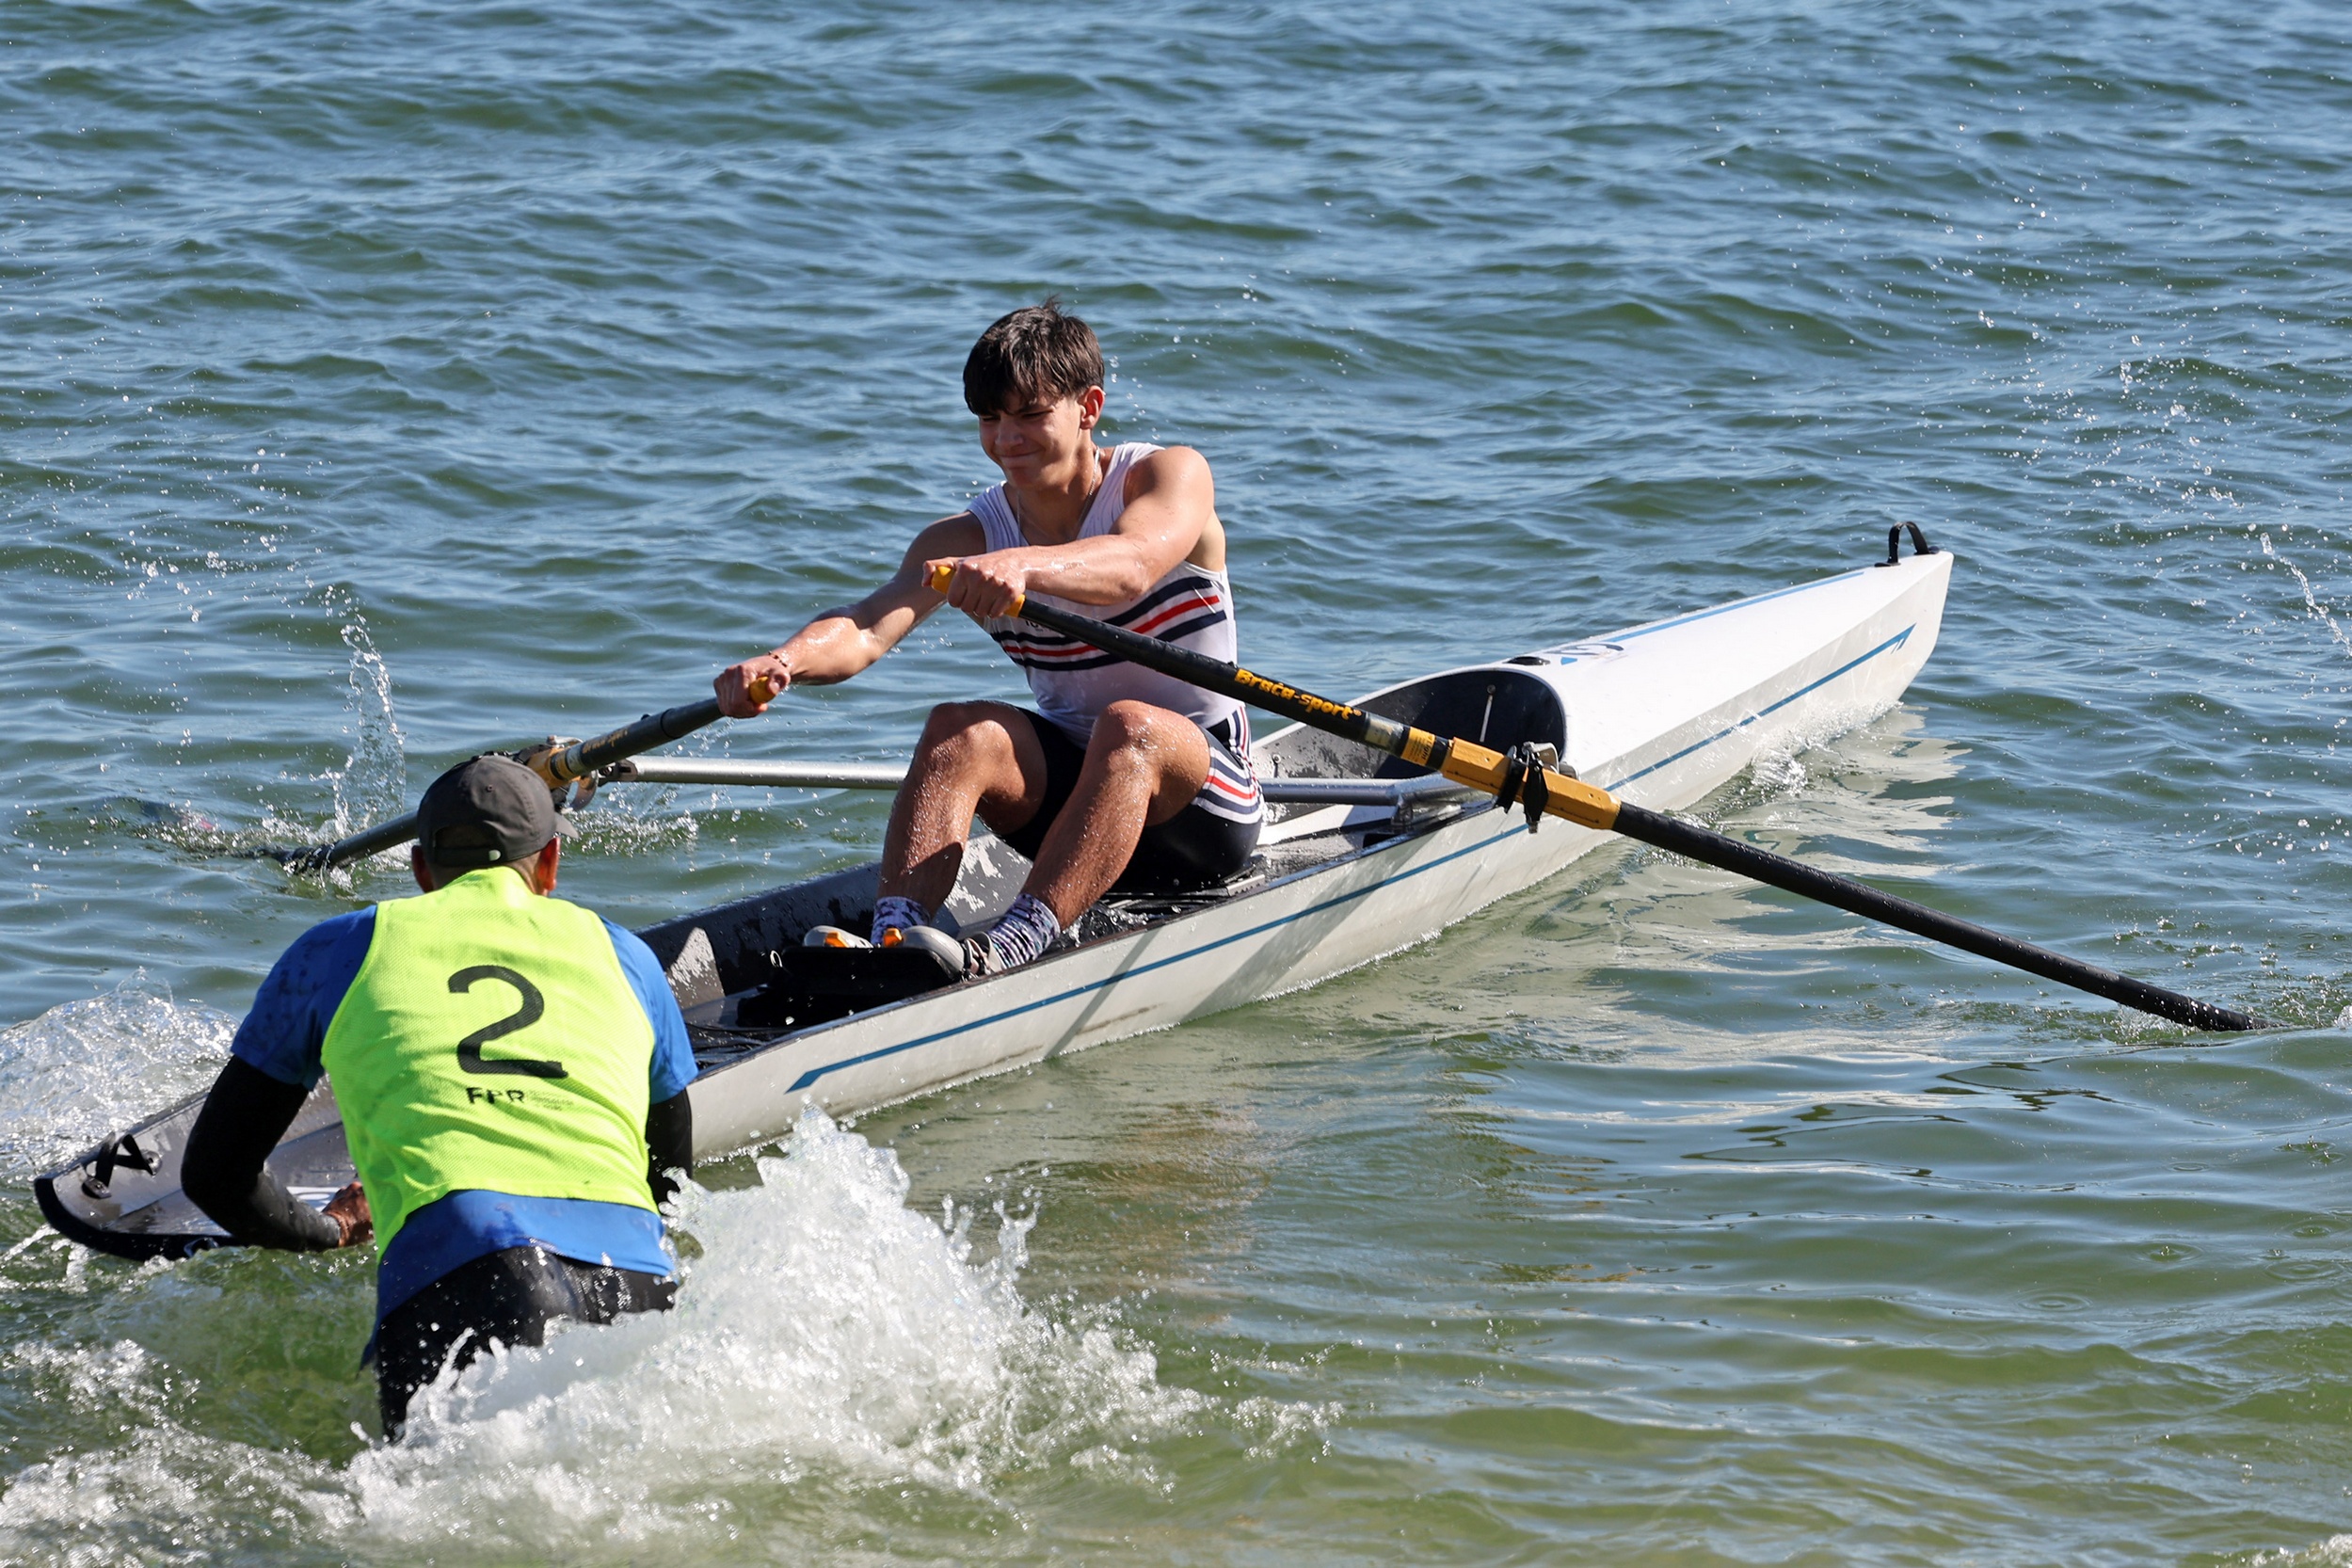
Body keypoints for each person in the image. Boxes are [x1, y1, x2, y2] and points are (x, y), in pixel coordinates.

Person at [714, 299, 1261, 977]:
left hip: (1205, 807)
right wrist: (783, 661)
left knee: (1129, 727)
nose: (1007, 439)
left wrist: (1022, 566)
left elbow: (1134, 564)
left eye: (1030, 415)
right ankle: (895, 939)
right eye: (989, 418)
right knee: (958, 728)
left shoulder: (1165, 476)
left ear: (1088, 406)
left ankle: (1012, 946)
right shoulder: (965, 540)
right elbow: (863, 627)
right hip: (1069, 809)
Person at [182, 755, 697, 1438]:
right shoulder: (627, 956)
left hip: (474, 1261)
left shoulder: (336, 951)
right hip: (638, 1276)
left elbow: (214, 1176)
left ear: (422, 870)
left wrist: (328, 1231)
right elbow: (672, 1178)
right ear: (550, 864)